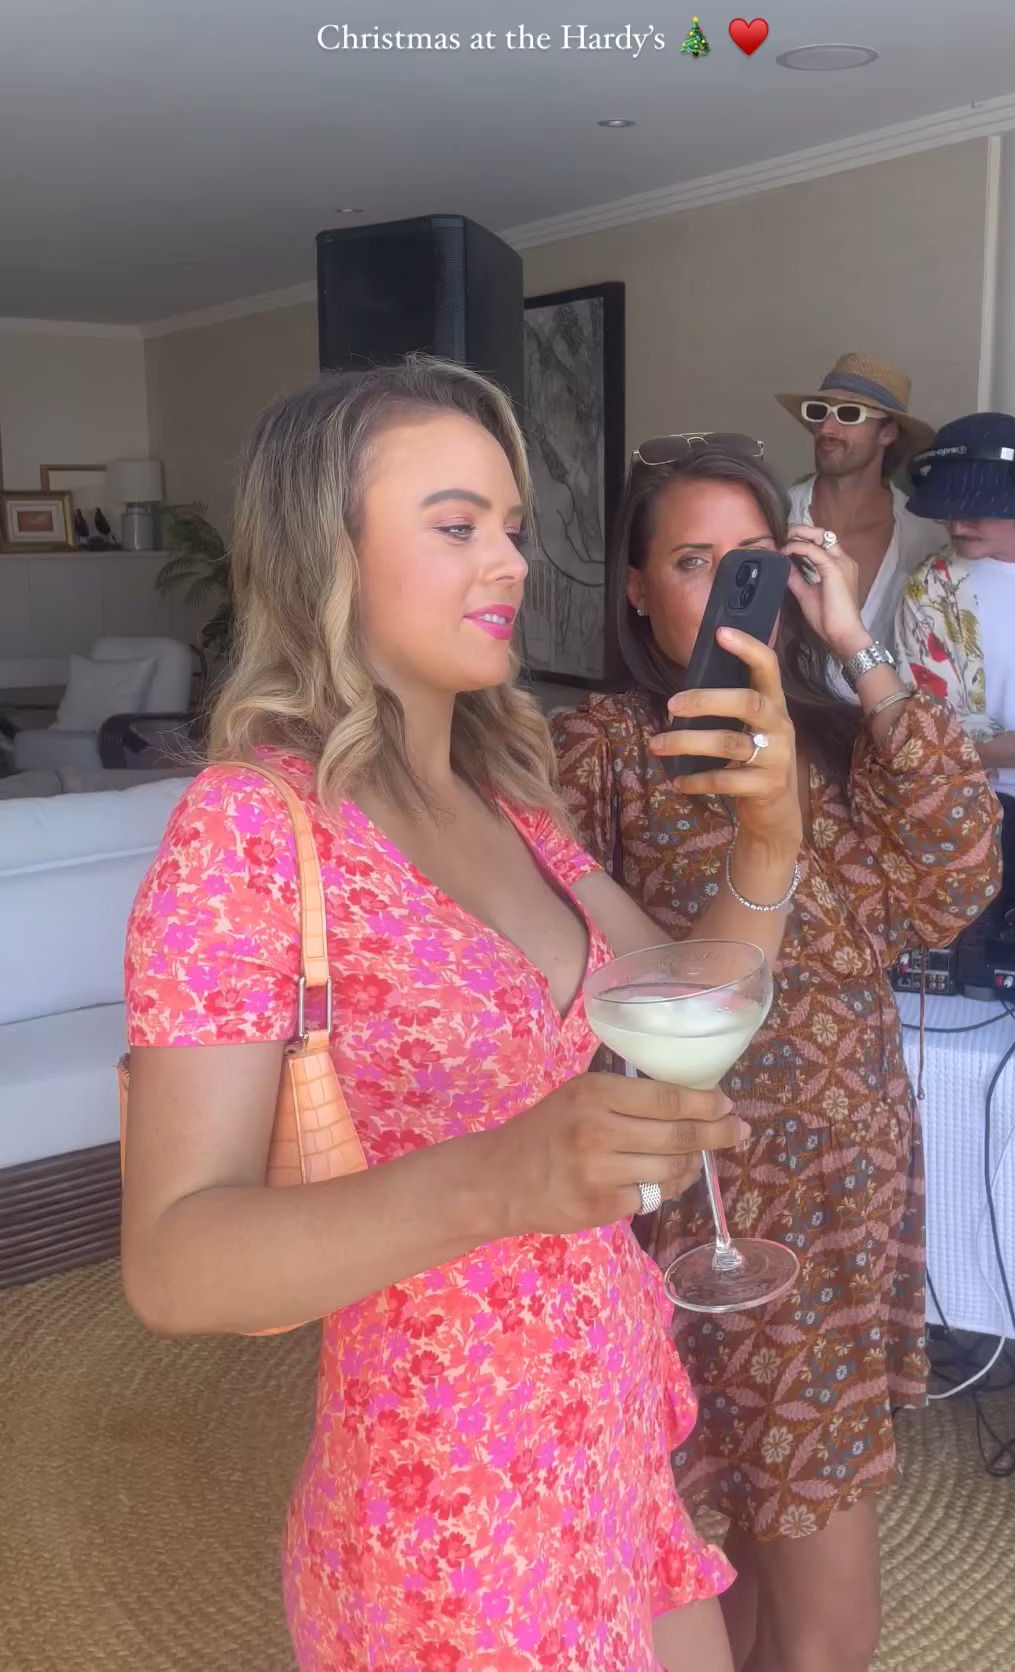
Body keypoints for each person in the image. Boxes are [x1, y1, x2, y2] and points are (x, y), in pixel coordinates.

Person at [120, 358, 805, 1672]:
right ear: (326, 556)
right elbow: (172, 1263)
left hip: (607, 1428)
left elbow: (690, 997)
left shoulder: (512, 806)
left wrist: (769, 839)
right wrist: (501, 1177)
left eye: (513, 527)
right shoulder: (250, 830)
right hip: (448, 1508)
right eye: (456, 526)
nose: (510, 564)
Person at [551, 433, 1001, 1672]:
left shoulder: (838, 735)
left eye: (755, 562)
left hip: (848, 1183)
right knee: (748, 1552)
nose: (727, 592)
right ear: (637, 587)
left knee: (790, 1552)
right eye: (693, 562)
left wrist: (855, 644)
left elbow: (960, 872)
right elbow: (559, 962)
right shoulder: (603, 745)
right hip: (703, 1196)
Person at [896, 411, 1015, 907]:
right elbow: (942, 739)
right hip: (987, 818)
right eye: (947, 508)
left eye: (976, 508)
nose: (957, 524)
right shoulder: (931, 591)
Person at [781, 353, 944, 695]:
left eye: (849, 414)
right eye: (820, 412)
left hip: (887, 719)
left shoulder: (925, 538)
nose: (827, 429)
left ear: (888, 432)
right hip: (787, 720)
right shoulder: (777, 516)